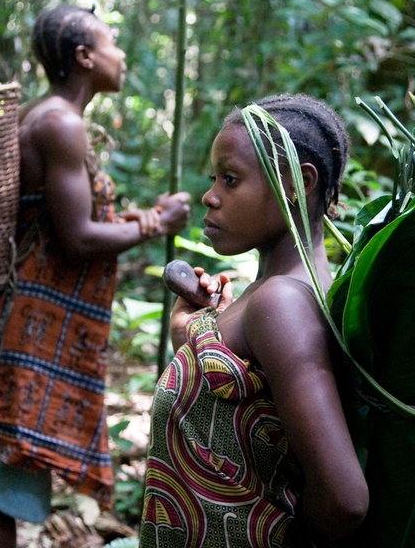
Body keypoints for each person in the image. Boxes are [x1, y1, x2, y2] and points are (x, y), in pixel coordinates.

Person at [0, 5, 191, 548]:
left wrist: (142, 218)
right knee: (0, 471)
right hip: (22, 327)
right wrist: (156, 225)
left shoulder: (40, 114)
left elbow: (52, 224)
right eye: (112, 42)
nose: (121, 55)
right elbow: (77, 237)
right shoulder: (61, 122)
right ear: (84, 57)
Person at [140, 94, 368, 547]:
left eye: (231, 179)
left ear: (297, 183)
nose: (210, 196)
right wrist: (193, 336)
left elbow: (344, 499)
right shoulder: (273, 294)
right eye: (214, 178)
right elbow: (230, 423)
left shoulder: (281, 303)